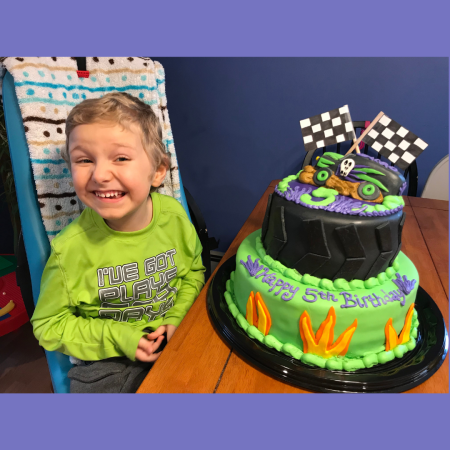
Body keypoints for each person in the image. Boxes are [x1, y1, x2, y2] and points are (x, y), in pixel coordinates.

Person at [31, 92, 205, 393]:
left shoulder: (174, 218)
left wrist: (177, 320)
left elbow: (193, 273)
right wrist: (121, 338)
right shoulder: (70, 249)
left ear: (158, 170)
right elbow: (48, 325)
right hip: (108, 362)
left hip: (178, 332)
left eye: (121, 158)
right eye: (84, 160)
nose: (99, 175)